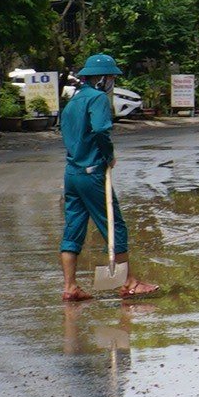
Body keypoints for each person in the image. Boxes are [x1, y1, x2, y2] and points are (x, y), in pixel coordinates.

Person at [58, 52, 155, 302]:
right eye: (110, 77)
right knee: (114, 226)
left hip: (72, 173)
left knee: (73, 230)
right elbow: (101, 130)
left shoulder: (73, 101)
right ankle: (129, 282)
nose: (112, 81)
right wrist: (108, 155)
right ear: (101, 79)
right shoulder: (98, 98)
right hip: (92, 174)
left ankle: (70, 287)